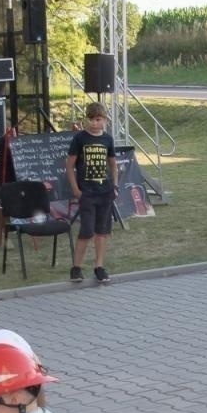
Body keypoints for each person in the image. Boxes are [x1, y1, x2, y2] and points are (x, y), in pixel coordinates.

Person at [68, 101, 118, 284]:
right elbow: (69, 165)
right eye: (91, 119)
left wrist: (115, 185)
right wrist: (76, 189)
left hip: (104, 191)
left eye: (98, 119)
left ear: (104, 120)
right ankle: (76, 267)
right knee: (86, 231)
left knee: (101, 231)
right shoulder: (80, 139)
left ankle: (99, 266)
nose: (95, 123)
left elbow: (112, 163)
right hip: (87, 192)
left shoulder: (107, 139)